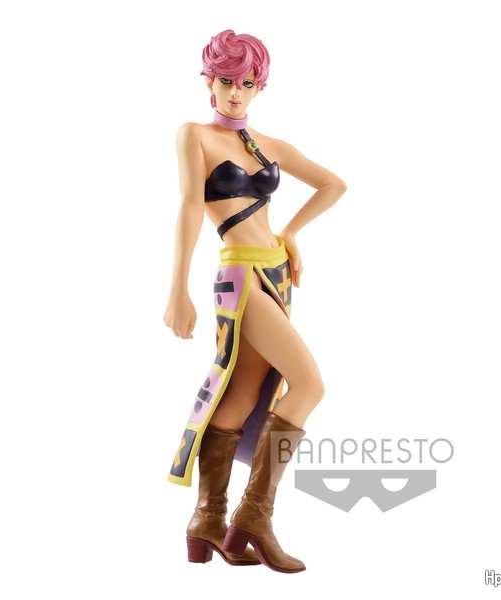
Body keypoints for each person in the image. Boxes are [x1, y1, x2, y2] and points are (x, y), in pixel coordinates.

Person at [164, 29, 347, 573]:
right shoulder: (194, 134)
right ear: (209, 82)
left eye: (246, 83)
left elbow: (333, 185)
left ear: (259, 86)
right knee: (309, 384)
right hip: (240, 276)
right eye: (226, 81)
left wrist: (289, 233)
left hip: (275, 274)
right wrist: (177, 288)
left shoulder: (269, 145)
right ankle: (253, 517)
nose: (235, 92)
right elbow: (189, 207)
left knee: (244, 395)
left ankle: (208, 520)